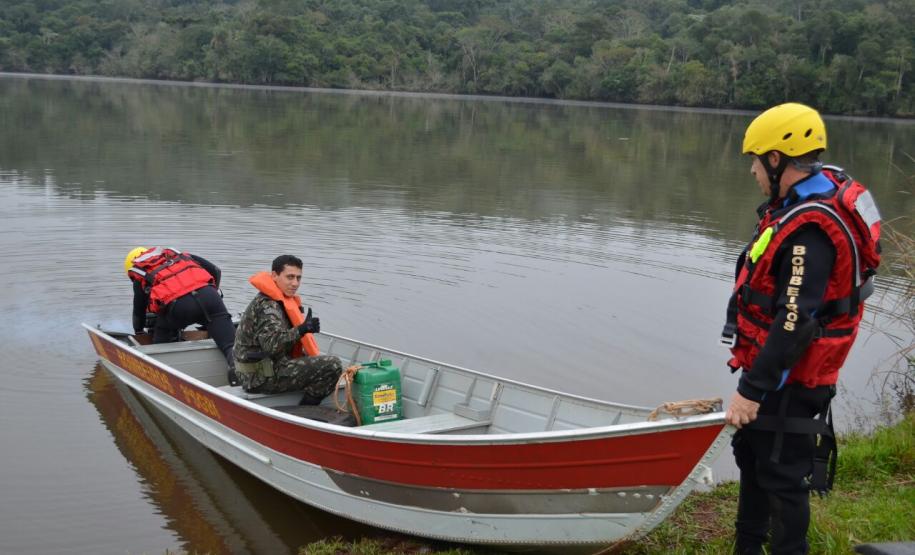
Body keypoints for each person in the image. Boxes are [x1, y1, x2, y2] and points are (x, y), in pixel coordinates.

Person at [720, 103, 881, 554]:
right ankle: (747, 547)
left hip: (792, 374)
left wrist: (751, 390)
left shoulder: (811, 231)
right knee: (753, 456)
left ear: (776, 160)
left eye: (756, 160)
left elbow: (795, 320)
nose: (752, 170)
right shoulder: (804, 199)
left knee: (781, 474)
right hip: (777, 368)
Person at [233, 254, 343, 405]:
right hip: (259, 377)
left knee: (314, 359)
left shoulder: (279, 301)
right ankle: (305, 410)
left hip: (267, 367)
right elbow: (271, 346)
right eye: (290, 277)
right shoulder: (268, 307)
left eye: (298, 278)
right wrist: (302, 329)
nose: (295, 283)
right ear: (274, 276)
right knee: (333, 365)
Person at [125, 246, 237, 374]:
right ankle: (239, 374)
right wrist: (213, 293)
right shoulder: (177, 255)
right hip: (210, 296)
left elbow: (139, 310)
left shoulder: (140, 271)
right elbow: (216, 271)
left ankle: (163, 372)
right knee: (230, 345)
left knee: (160, 341)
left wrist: (139, 332)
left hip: (178, 307)